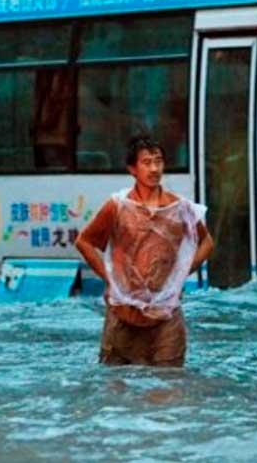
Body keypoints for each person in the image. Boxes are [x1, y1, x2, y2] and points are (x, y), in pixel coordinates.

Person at [75, 133, 214, 367]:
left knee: (169, 387)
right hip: (123, 313)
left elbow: (207, 242)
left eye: (158, 161)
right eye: (146, 162)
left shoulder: (179, 207)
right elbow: (84, 242)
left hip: (165, 315)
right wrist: (110, 280)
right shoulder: (117, 206)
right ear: (132, 169)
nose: (154, 168)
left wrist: (179, 278)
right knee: (116, 388)